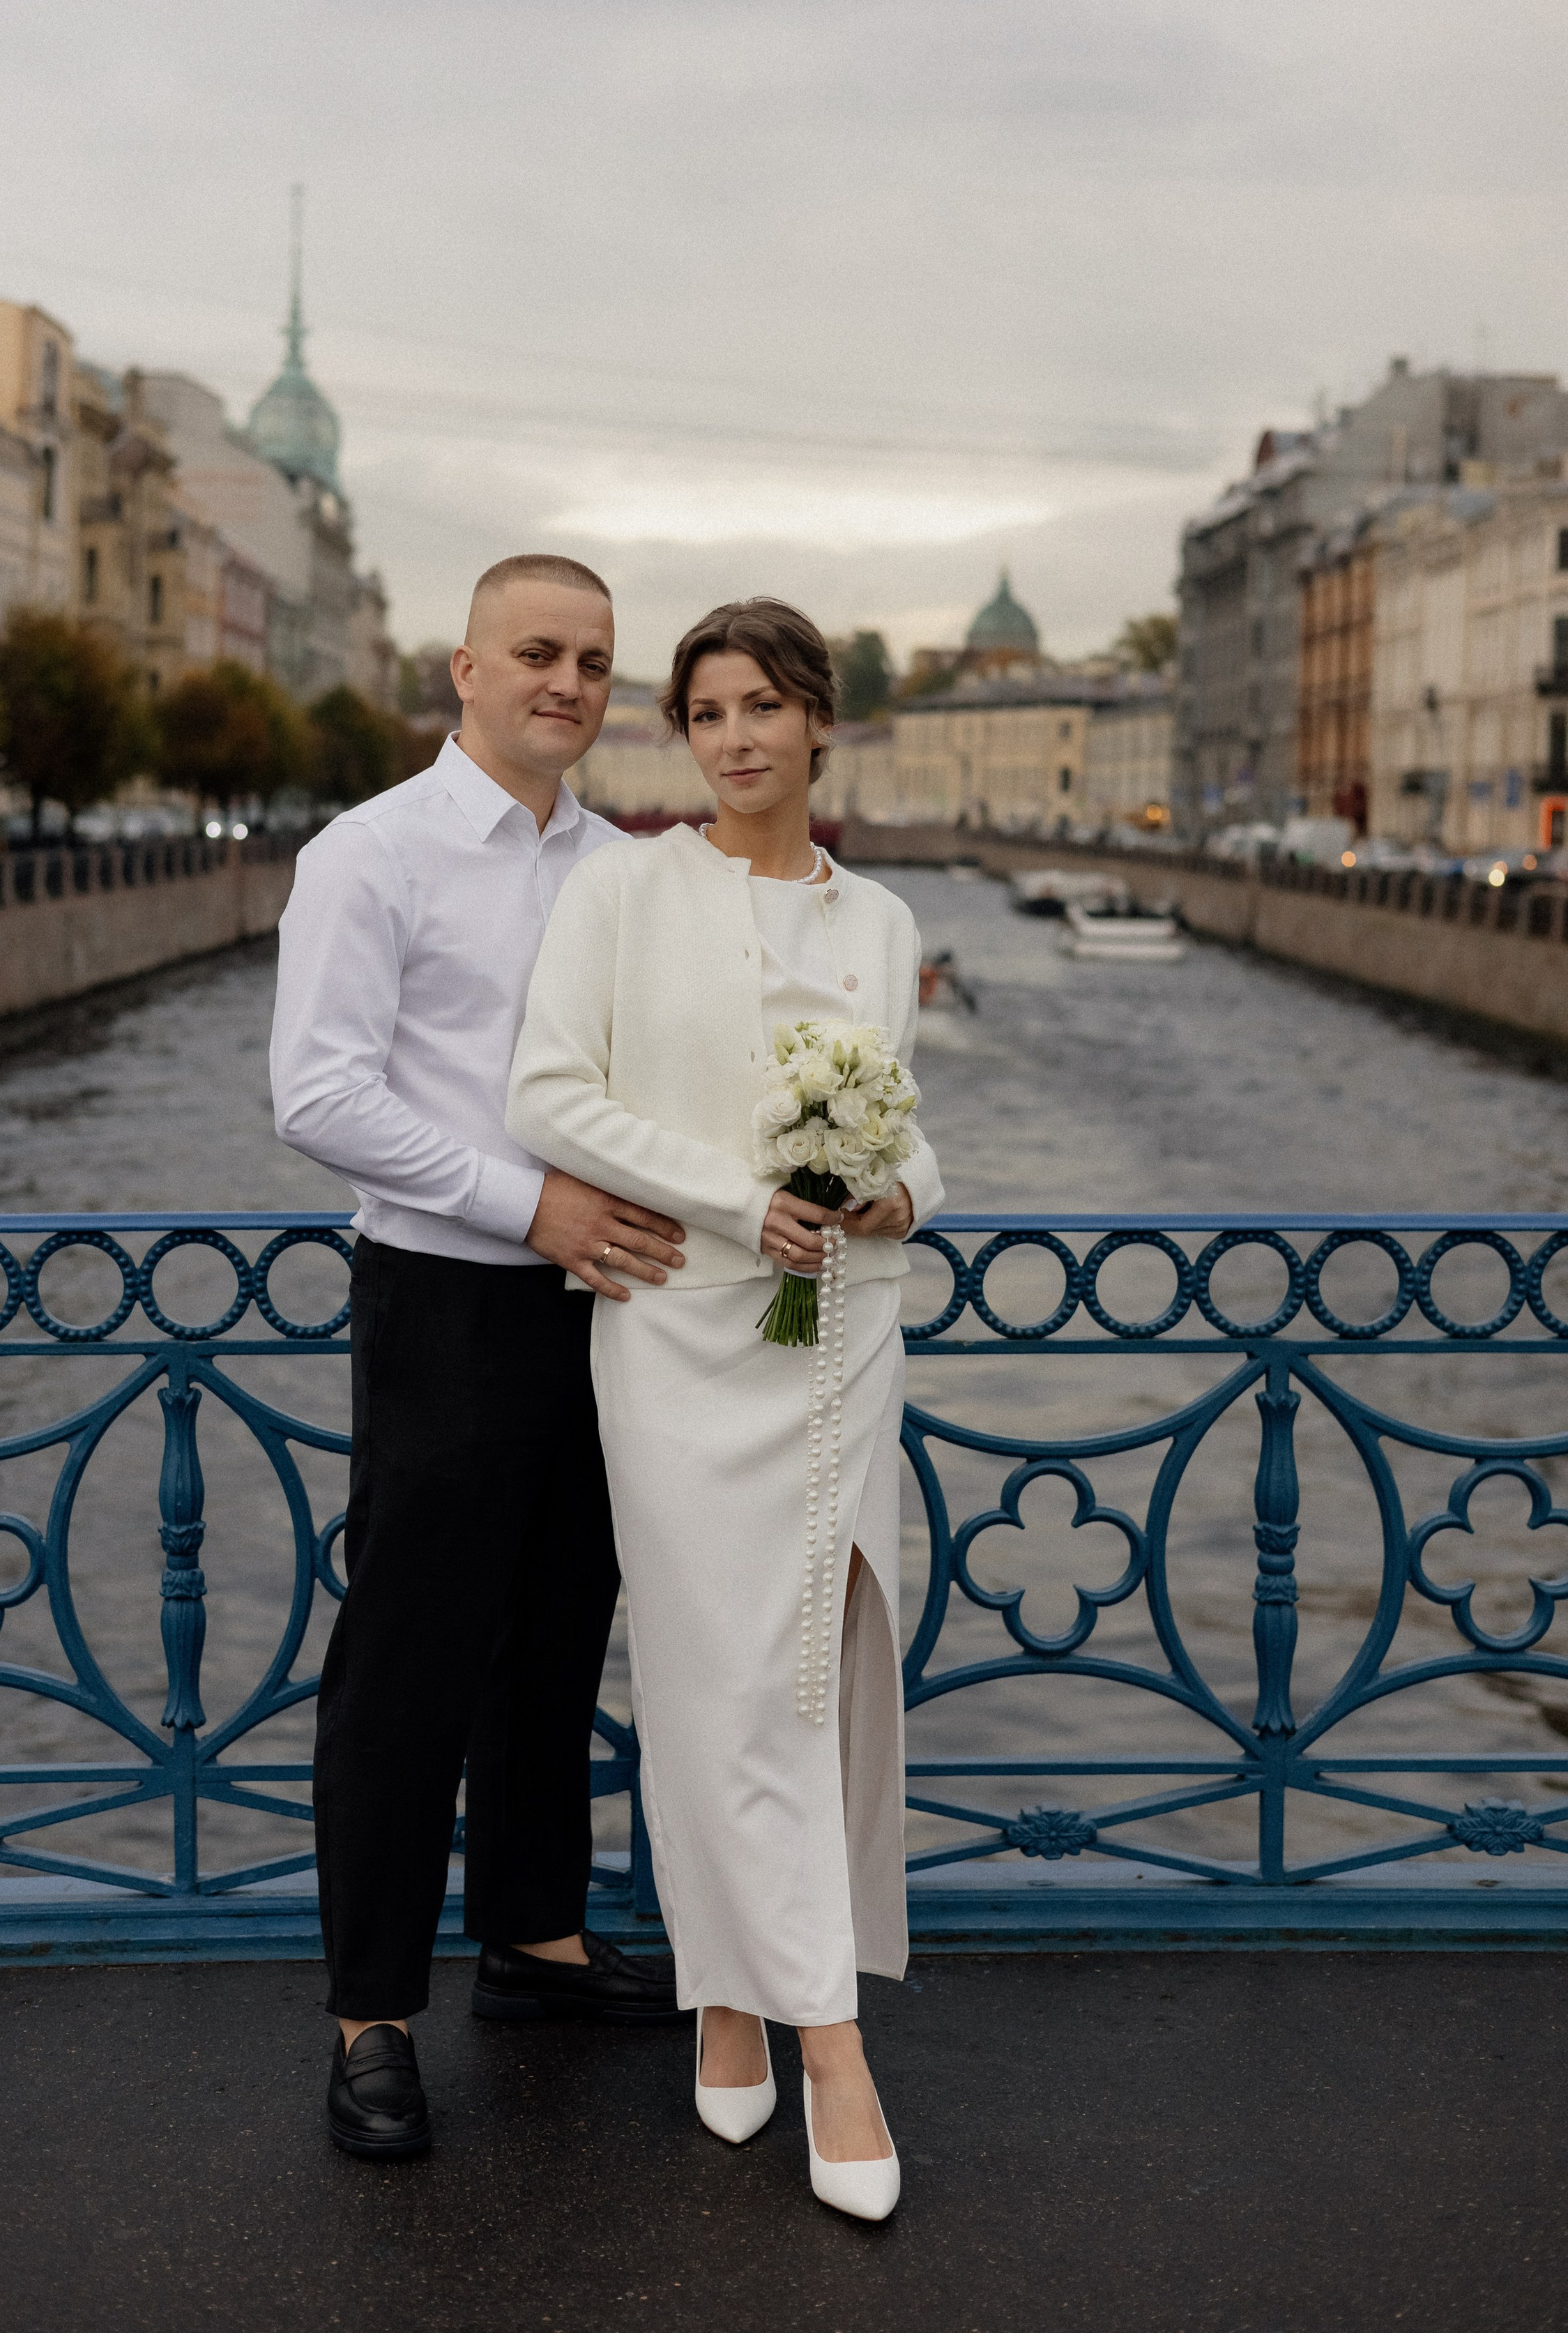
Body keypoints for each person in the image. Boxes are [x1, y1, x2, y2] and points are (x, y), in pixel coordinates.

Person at [507, 597, 943, 2221]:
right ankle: (831, 2038)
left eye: (763, 706)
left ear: (818, 719)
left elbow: (909, 1136)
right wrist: (729, 1199)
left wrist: (895, 1198)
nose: (736, 739)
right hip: (684, 1334)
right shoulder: (624, 889)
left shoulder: (883, 922)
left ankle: (733, 1986)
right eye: (704, 714)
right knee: (714, 1679)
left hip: (839, 1340)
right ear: (680, 738)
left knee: (814, 1676)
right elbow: (549, 1093)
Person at [270, 553, 685, 2163]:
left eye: (591, 659)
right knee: (406, 1668)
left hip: (604, 1301)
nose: (566, 683)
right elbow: (318, 1093)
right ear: (462, 670)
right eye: (535, 652)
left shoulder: (626, 870)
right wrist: (534, 1207)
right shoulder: (366, 853)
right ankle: (370, 2017)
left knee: (557, 1633)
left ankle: (534, 1943)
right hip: (445, 1297)